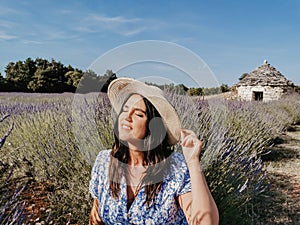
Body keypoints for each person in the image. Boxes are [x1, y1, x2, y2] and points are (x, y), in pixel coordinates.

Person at [89, 77, 219, 225]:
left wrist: (193, 161)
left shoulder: (176, 167)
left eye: (138, 114)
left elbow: (205, 223)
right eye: (125, 110)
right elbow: (96, 217)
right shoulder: (104, 161)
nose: (127, 117)